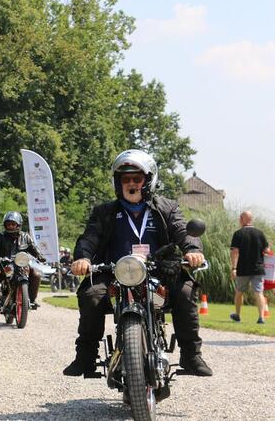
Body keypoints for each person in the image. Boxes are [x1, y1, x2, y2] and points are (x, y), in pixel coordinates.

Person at [63, 149, 212, 377]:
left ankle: (191, 355)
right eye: (126, 179)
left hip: (159, 270)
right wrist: (82, 258)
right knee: (91, 294)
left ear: (149, 180)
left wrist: (192, 250)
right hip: (115, 272)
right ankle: (85, 357)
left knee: (185, 290)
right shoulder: (104, 212)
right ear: (118, 182)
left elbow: (183, 231)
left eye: (137, 179)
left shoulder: (167, 208)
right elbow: (89, 237)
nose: (131, 184)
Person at [0, 211, 44, 309]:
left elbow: (33, 248)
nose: (10, 226)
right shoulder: (0, 236)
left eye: (13, 224)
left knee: (36, 274)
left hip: (21, 263)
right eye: (8, 224)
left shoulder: (25, 236)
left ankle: (31, 300)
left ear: (18, 225)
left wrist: (40, 256)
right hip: (4, 263)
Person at [230, 211, 270, 324]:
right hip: (258, 269)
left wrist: (234, 268)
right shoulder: (260, 233)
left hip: (243, 269)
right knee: (259, 292)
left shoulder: (238, 233)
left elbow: (235, 252)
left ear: (242, 219)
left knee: (239, 291)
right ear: (251, 219)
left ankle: (237, 315)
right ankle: (261, 317)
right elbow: (267, 251)